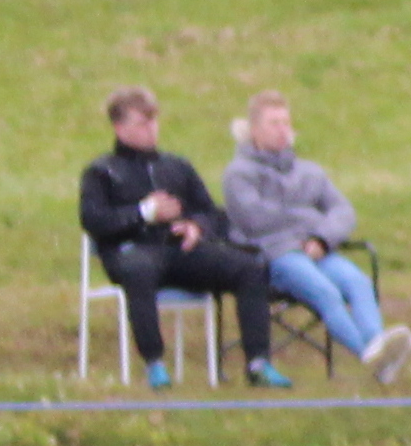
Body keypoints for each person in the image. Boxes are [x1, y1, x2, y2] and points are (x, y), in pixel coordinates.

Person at [79, 86, 283, 390]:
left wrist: (195, 227)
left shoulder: (176, 166)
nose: (151, 129)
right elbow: (94, 220)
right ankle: (154, 363)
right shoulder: (102, 171)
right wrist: (144, 213)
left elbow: (212, 213)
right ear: (119, 128)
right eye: (142, 123)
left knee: (249, 267)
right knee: (139, 271)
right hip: (131, 252)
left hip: (180, 251)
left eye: (153, 121)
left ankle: (258, 363)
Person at [222, 90, 411, 386]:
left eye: (286, 123)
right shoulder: (238, 174)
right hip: (274, 257)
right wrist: (309, 223)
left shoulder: (310, 172)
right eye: (274, 123)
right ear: (254, 130)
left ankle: (380, 347)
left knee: (358, 282)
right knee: (325, 292)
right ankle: (370, 354)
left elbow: (343, 211)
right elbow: (254, 219)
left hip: (317, 251)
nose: (282, 130)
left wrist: (322, 238)